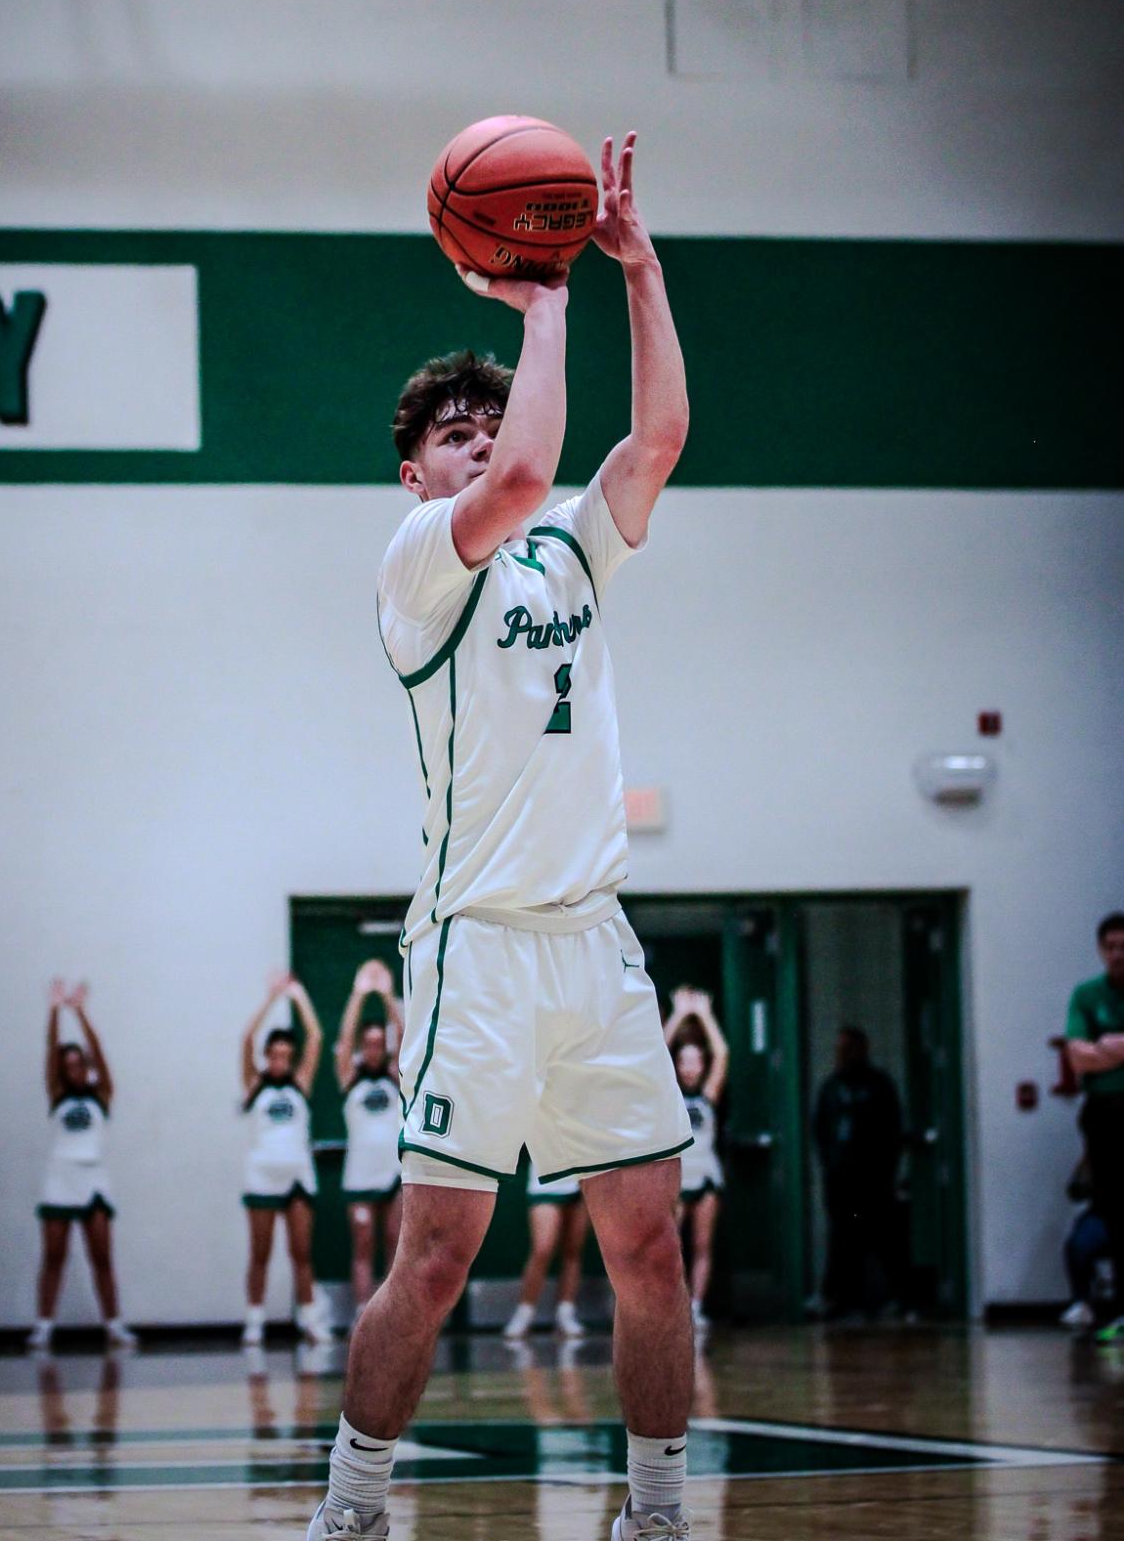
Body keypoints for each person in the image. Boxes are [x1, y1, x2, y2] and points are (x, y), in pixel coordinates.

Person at [308, 131, 694, 1541]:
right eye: (450, 436)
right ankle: (350, 1509)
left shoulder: (569, 552)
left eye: (487, 421)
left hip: (593, 939)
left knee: (648, 1251)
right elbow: (529, 470)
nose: (478, 438)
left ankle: (652, 1515)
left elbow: (649, 444)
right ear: (417, 475)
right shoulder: (417, 563)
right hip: (475, 948)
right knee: (436, 1258)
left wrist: (634, 269)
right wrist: (543, 302)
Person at [30, 979, 135, 1352]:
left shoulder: (101, 1093)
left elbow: (100, 1053)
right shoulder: (57, 1094)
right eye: (68, 1064)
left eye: (79, 1063)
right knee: (53, 1257)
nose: (74, 1069)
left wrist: (80, 1012)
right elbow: (49, 1050)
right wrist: (55, 1011)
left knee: (102, 1257)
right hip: (60, 1178)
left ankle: (115, 1326)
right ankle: (43, 1327)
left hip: (93, 1179)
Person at [241, 972, 330, 1346]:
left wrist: (297, 995)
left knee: (301, 1252)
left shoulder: (300, 1082)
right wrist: (270, 999)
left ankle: (310, 1321)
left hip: (297, 1176)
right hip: (262, 1177)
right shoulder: (254, 1083)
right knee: (260, 1253)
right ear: (267, 1057)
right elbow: (247, 1038)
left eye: (285, 1056)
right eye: (274, 1055)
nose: (280, 1060)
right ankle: (254, 1323)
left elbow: (317, 1037)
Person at [812, 1026, 903, 1319]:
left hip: (873, 1177)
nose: (843, 1055)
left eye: (848, 1048)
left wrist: (888, 1168)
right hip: (840, 1179)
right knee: (843, 1239)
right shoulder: (831, 1087)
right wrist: (830, 1163)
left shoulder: (879, 1084)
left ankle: (894, 1299)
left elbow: (893, 1129)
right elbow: (820, 1129)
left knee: (882, 1238)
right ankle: (842, 1301)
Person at [1063, 912, 1124, 1345]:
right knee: (1113, 1211)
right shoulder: (1087, 995)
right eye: (1111, 946)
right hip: (1105, 1113)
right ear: (1102, 950)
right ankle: (1114, 1308)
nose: (1119, 954)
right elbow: (1079, 1056)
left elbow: (1096, 1050)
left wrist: (1110, 1046)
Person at [335, 960, 404, 1318]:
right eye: (370, 1044)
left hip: (393, 1175)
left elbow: (404, 1032)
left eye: (380, 1043)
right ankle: (363, 1313)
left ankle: (388, 1315)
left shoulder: (395, 1075)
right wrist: (359, 995)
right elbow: (344, 1040)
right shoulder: (351, 1076)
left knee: (395, 1245)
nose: (375, 1048)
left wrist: (388, 996)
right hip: (360, 1176)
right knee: (363, 1245)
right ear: (365, 1047)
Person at [663, 989, 729, 1336]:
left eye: (695, 1062)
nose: (690, 1068)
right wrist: (677, 1014)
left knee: (703, 1245)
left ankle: (697, 1307)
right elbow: (657, 1051)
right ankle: (673, 1305)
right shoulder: (668, 1091)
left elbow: (722, 1052)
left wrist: (704, 1014)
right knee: (673, 1247)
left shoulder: (708, 1095)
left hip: (706, 1176)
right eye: (683, 1062)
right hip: (678, 1178)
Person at [503, 1164, 588, 1340]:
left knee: (573, 1250)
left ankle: (566, 1313)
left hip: (582, 1178)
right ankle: (524, 1313)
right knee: (542, 1249)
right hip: (545, 1179)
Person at [1061, 1145, 1110, 1330]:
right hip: (1101, 1213)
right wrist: (1084, 1181)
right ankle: (1081, 1302)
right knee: (1078, 1244)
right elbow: (1074, 1191)